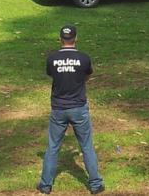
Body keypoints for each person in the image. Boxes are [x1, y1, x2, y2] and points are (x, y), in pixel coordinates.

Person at [37, 25, 104, 195]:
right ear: (76, 38)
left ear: (60, 39)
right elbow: (88, 74)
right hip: (79, 108)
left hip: (58, 108)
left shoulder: (52, 59)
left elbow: (52, 75)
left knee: (53, 147)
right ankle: (95, 184)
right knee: (86, 146)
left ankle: (45, 185)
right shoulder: (84, 58)